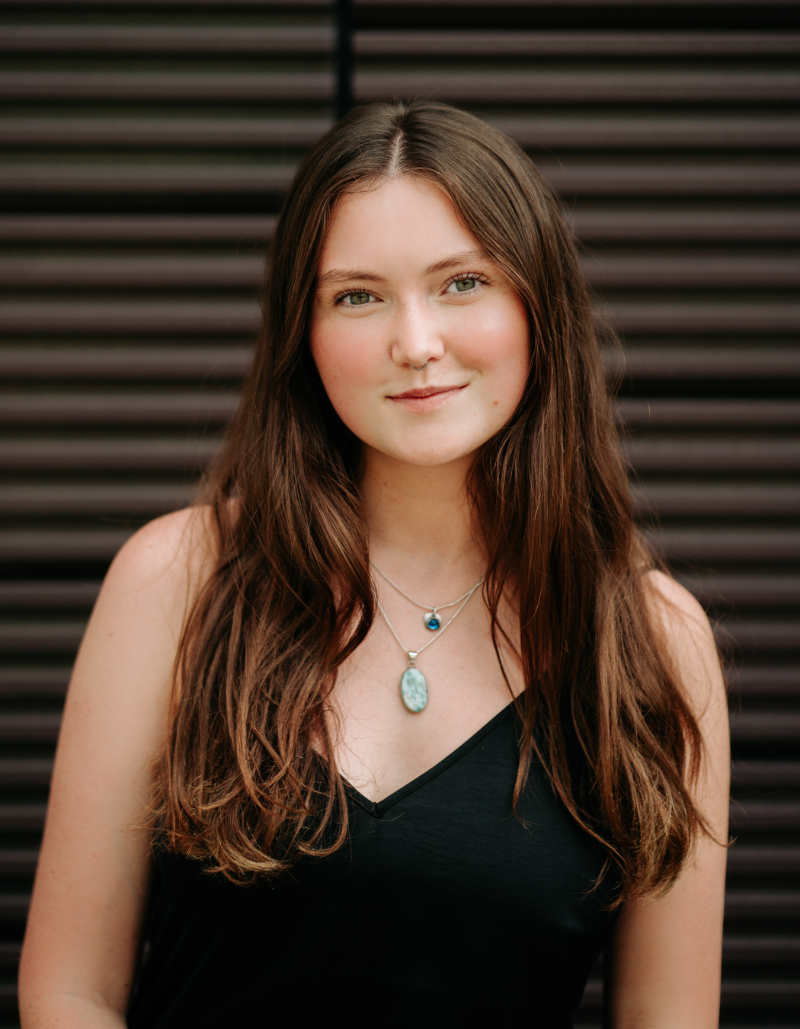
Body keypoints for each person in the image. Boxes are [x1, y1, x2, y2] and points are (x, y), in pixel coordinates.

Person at [18, 99, 730, 1027]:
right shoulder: (176, 581)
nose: (416, 342)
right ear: (303, 334)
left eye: (461, 282)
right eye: (358, 295)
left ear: (537, 304)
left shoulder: (656, 641)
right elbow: (70, 991)